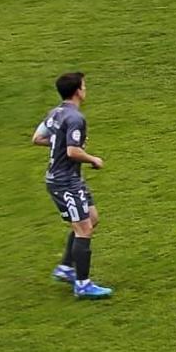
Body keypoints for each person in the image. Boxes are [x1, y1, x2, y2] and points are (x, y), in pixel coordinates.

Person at [35, 71, 111, 298]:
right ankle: (83, 284)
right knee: (84, 228)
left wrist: (58, 141)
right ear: (78, 91)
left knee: (92, 217)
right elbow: (72, 151)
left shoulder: (55, 113)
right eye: (84, 86)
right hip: (64, 182)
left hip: (69, 180)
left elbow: (37, 138)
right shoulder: (76, 118)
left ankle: (66, 267)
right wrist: (92, 159)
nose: (85, 90)